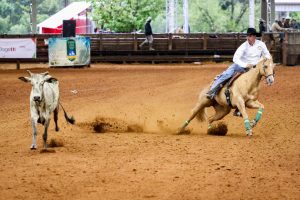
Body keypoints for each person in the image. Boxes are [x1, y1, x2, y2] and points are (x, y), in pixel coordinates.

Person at [205, 28, 271, 100]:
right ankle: (212, 91)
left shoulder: (261, 44)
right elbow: (235, 58)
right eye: (247, 36)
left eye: (250, 36)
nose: (248, 38)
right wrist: (245, 65)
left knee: (266, 72)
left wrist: (258, 62)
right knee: (226, 74)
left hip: (254, 68)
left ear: (254, 36)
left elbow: (267, 55)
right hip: (240, 66)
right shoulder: (243, 46)